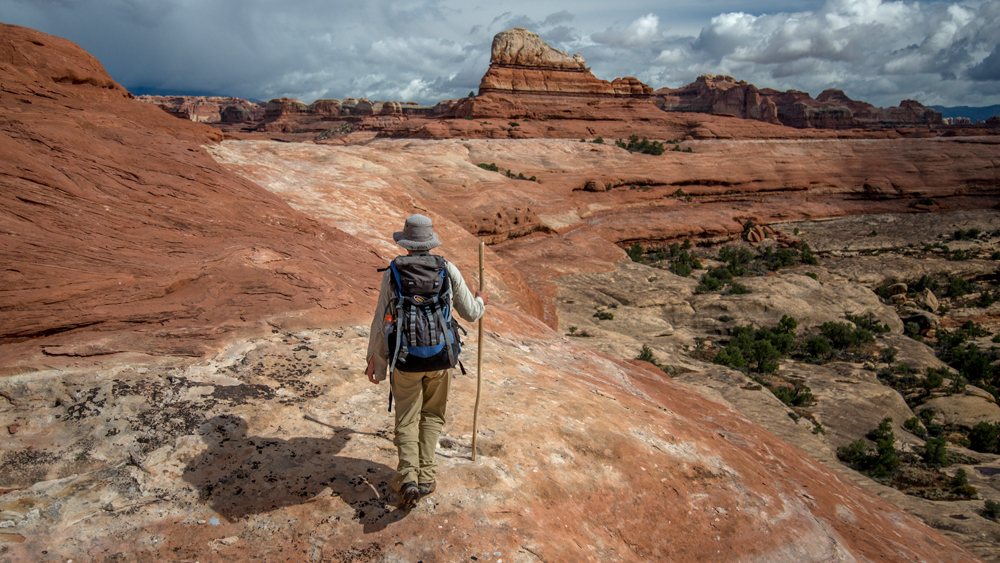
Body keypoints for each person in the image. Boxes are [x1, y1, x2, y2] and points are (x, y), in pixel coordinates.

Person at [365, 214, 487, 508]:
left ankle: (408, 478)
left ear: (406, 243)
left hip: (404, 358)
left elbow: (382, 320)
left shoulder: (393, 272)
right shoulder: (447, 269)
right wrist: (481, 299)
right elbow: (471, 313)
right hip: (440, 358)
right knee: (432, 416)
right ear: (430, 242)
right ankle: (427, 478)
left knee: (406, 418)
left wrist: (375, 362)